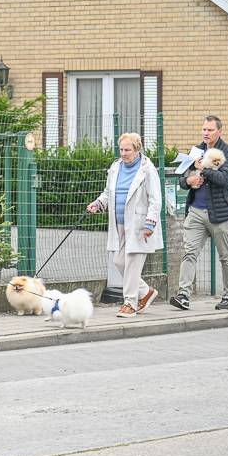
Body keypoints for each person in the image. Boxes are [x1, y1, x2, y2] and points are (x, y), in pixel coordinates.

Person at [87, 132, 162, 318]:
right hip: (119, 224)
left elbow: (155, 200)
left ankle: (130, 303)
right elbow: (108, 192)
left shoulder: (147, 169)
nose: (124, 153)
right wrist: (98, 203)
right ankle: (146, 292)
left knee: (132, 264)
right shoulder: (116, 167)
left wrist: (150, 224)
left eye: (128, 150)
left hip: (139, 225)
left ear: (137, 150)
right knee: (119, 261)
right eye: (121, 149)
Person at [170, 114, 228, 311]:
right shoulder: (197, 151)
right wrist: (189, 181)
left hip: (220, 213)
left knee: (225, 256)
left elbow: (225, 179)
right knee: (189, 252)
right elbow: (183, 178)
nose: (206, 133)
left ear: (219, 131)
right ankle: (183, 295)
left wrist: (204, 169)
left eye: (210, 130)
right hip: (196, 211)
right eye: (204, 129)